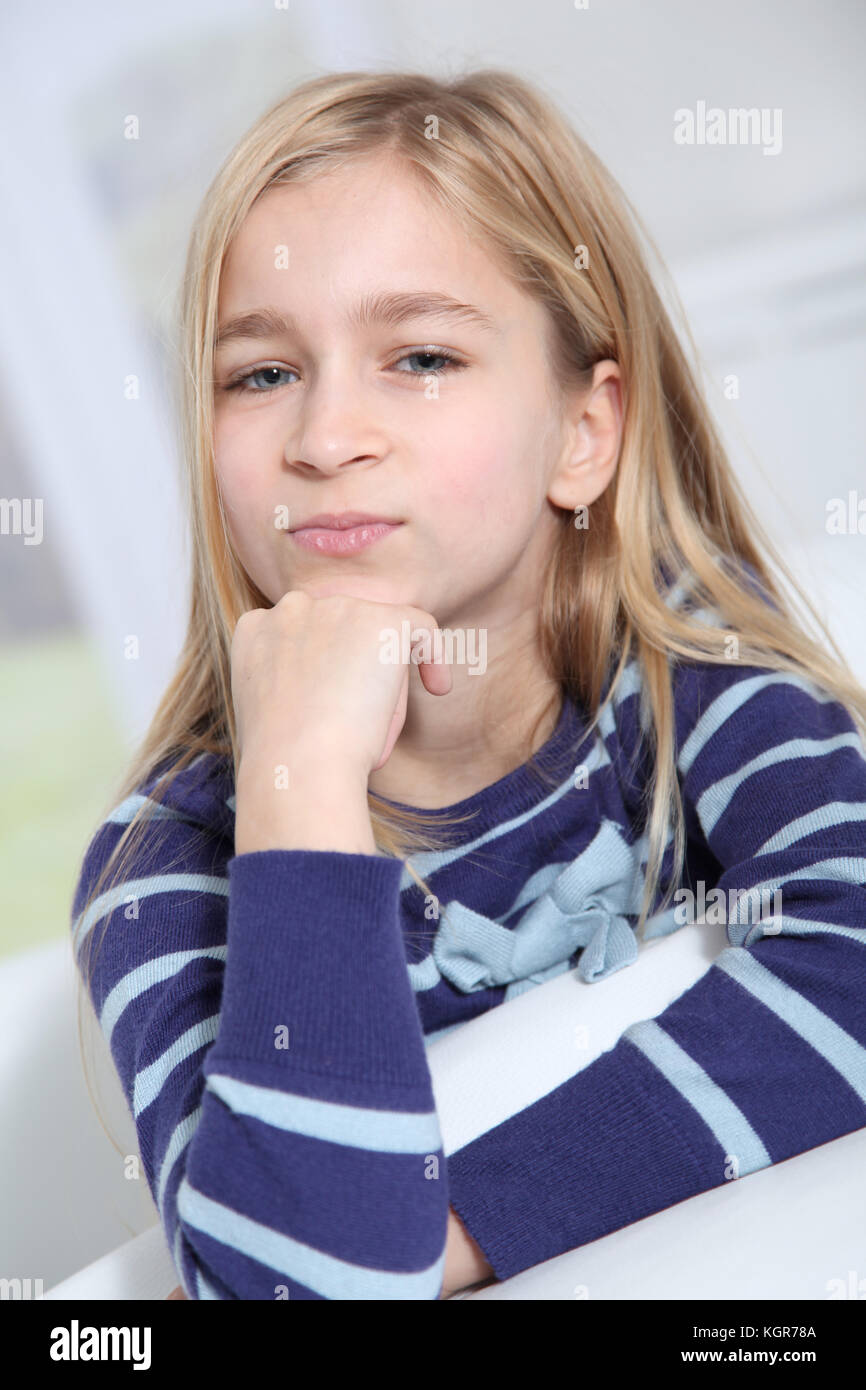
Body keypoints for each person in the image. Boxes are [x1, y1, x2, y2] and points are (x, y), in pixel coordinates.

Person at [71, 68, 866, 1301]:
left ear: (581, 434)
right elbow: (292, 1287)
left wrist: (445, 1234)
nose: (326, 437)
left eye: (421, 355)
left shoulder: (685, 680)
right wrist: (300, 780)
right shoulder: (165, 863)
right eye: (261, 373)